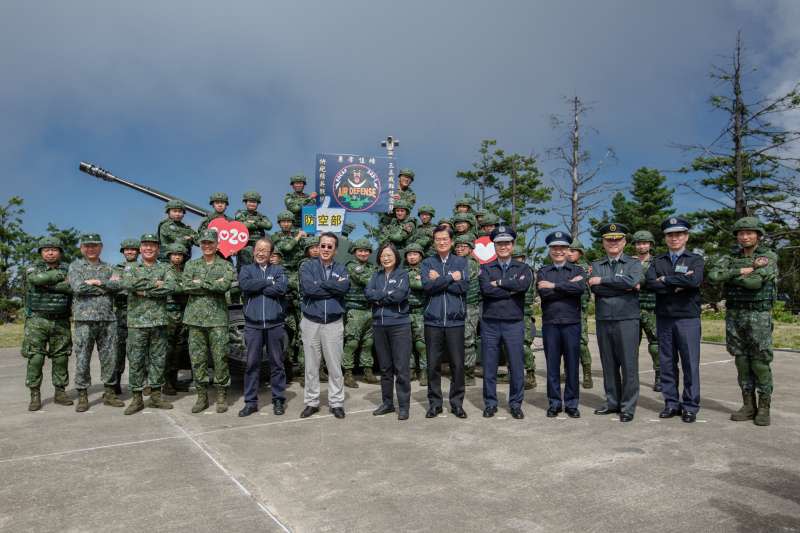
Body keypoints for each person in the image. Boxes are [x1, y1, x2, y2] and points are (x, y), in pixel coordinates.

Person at [708, 216, 778, 426]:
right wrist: (740, 271)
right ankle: (748, 405)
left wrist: (728, 277)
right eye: (741, 233)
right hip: (735, 314)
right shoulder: (731, 257)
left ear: (758, 235)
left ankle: (764, 407)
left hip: (758, 314)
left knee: (759, 361)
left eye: (749, 232)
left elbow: (755, 282)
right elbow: (712, 276)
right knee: (741, 360)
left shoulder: (768, 256)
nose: (745, 236)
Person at [645, 217, 704, 423]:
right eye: (670, 235)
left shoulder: (695, 259)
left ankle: (690, 406)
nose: (674, 238)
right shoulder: (658, 261)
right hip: (664, 318)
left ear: (686, 236)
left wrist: (667, 280)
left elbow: (695, 280)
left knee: (690, 364)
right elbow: (651, 284)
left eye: (678, 234)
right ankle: (671, 403)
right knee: (667, 362)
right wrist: (680, 283)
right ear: (665, 238)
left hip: (688, 318)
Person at [588, 223, 643, 423]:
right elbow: (596, 290)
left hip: (627, 319)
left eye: (617, 239)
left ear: (624, 242)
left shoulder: (633, 264)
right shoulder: (596, 265)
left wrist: (602, 281)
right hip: (604, 319)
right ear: (603, 243)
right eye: (609, 240)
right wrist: (622, 285)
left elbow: (633, 282)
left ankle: (628, 406)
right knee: (608, 364)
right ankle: (612, 402)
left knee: (629, 365)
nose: (613, 243)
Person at [478, 226, 533, 419]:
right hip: (490, 323)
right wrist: (510, 287)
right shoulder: (486, 268)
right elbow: (486, 290)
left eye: (506, 243)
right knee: (490, 366)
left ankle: (516, 403)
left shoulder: (523, 268)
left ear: (512, 245)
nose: (503, 246)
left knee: (516, 366)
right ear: (494, 246)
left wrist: (499, 283)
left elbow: (523, 285)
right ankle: (490, 403)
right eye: (499, 243)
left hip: (513, 323)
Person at [68, 233, 124, 412]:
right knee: (83, 357)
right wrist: (104, 287)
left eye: (94, 246)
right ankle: (83, 394)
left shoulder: (109, 267)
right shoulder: (75, 266)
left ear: (101, 247)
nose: (91, 249)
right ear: (82, 248)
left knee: (110, 358)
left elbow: (118, 285)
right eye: (87, 246)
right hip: (84, 319)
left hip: (107, 319)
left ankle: (109, 392)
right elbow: (78, 287)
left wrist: (97, 282)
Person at [121, 234, 176, 415]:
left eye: (153, 245)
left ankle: (155, 396)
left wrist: (143, 290)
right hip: (137, 322)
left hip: (159, 321)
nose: (149, 248)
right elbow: (128, 284)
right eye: (145, 245)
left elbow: (170, 287)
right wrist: (155, 285)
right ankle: (136, 398)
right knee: (136, 360)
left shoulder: (166, 267)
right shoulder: (131, 267)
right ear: (140, 249)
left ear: (158, 249)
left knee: (158, 360)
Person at [182, 229, 236, 414]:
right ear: (200, 245)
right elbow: (186, 286)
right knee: (197, 359)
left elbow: (224, 286)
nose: (207, 246)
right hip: (195, 319)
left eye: (210, 243)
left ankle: (221, 395)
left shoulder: (226, 265)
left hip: (218, 319)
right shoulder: (191, 265)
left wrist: (201, 282)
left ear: (217, 244)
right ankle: (202, 396)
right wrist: (212, 283)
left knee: (220, 358)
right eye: (203, 243)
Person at [298, 232, 350, 419]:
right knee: (311, 366)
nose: (326, 249)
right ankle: (312, 402)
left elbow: (344, 288)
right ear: (318, 247)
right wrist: (332, 286)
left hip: (333, 324)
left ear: (335, 250)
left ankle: (336, 402)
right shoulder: (307, 267)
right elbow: (308, 289)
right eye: (323, 245)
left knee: (335, 367)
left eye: (330, 246)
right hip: (311, 322)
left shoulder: (342, 269)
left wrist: (323, 285)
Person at [536, 231, 586, 418]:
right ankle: (555, 403)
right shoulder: (543, 271)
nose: (558, 251)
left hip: (572, 323)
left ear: (568, 250)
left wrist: (554, 286)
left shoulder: (578, 271)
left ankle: (572, 404)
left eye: (562, 248)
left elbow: (579, 289)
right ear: (550, 250)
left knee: (572, 365)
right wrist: (567, 286)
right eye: (555, 248)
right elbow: (544, 293)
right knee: (553, 366)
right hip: (551, 324)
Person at [421, 225, 469, 419]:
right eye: (438, 239)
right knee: (433, 364)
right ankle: (435, 403)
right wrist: (450, 278)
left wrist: (439, 279)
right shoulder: (427, 263)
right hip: (433, 321)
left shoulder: (461, 262)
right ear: (434, 242)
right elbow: (427, 287)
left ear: (451, 241)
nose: (441, 242)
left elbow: (463, 287)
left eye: (445, 239)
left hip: (455, 321)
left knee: (458, 364)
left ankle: (457, 403)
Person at [238, 238, 289, 417]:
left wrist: (259, 286)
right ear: (254, 252)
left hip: (275, 324)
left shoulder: (279, 270)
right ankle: (250, 402)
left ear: (270, 254)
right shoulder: (246, 270)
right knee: (252, 364)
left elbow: (282, 288)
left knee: (277, 363)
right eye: (258, 249)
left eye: (265, 250)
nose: (261, 253)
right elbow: (245, 285)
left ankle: (278, 400)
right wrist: (268, 283)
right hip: (253, 325)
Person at [22, 236, 73, 411]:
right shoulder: (32, 268)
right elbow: (36, 280)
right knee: (35, 358)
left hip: (61, 321)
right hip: (37, 320)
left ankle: (60, 392)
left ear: (60, 252)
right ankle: (35, 394)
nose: (50, 252)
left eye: (54, 249)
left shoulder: (70, 268)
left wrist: (47, 283)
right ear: (41, 252)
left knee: (61, 358)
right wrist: (59, 279)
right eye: (46, 250)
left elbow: (70, 288)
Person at [366, 243, 412, 420]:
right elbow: (368, 293)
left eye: (389, 255)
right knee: (385, 367)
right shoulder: (375, 276)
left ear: (396, 257)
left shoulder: (402, 274)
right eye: (383, 255)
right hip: (379, 325)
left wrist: (379, 297)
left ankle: (404, 406)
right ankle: (387, 403)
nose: (385, 258)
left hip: (399, 325)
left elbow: (399, 295)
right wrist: (384, 296)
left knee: (401, 368)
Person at [342, 239, 378, 388]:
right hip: (355, 309)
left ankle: (367, 371)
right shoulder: (351, 266)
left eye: (366, 251)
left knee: (368, 343)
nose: (363, 253)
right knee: (352, 342)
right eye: (360, 250)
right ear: (354, 252)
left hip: (369, 309)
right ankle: (348, 373)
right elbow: (366, 280)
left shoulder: (372, 267)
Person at [632, 230, 661, 391]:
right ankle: (631, 377)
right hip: (632, 309)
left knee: (656, 344)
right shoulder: (629, 262)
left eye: (644, 243)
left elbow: (657, 282)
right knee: (630, 345)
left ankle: (659, 376)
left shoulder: (657, 262)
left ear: (650, 245)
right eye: (638, 243)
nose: (641, 246)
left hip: (652, 308)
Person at [111, 238, 139, 396]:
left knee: (139, 350)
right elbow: (115, 287)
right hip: (121, 313)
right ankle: (116, 382)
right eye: (127, 249)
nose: (130, 252)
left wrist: (127, 286)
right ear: (123, 252)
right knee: (118, 350)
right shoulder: (117, 268)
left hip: (140, 312)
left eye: (133, 249)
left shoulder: (143, 267)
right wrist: (133, 287)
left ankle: (142, 382)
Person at [566, 240, 593, 389]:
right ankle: (568, 372)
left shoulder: (584, 268)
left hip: (578, 310)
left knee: (582, 343)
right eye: (568, 250)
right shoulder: (561, 266)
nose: (569, 253)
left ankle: (587, 373)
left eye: (573, 251)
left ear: (580, 253)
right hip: (564, 310)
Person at [164, 243, 190, 395]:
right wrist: (184, 286)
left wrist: (181, 286)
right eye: (174, 254)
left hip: (183, 312)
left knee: (179, 349)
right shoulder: (165, 270)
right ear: (169, 256)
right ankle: (166, 382)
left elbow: (185, 287)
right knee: (168, 349)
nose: (177, 256)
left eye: (180, 254)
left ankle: (174, 380)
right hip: (169, 313)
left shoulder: (186, 270)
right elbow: (171, 288)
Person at [454, 235, 481, 385]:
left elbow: (461, 279)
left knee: (467, 339)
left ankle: (468, 374)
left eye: (463, 246)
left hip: (468, 306)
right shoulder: (458, 262)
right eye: (457, 246)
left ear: (470, 249)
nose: (459, 249)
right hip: (457, 305)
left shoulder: (470, 263)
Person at [512, 245, 538, 390]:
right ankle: (515, 373)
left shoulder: (527, 272)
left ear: (523, 258)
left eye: (518, 257)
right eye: (514, 258)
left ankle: (530, 374)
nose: (516, 260)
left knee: (524, 344)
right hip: (510, 312)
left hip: (523, 313)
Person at [403, 243, 428, 385]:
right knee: (407, 343)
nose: (412, 257)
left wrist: (413, 282)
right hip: (405, 311)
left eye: (415, 254)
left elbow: (426, 285)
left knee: (421, 344)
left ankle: (424, 371)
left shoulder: (426, 270)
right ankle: (411, 369)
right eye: (409, 254)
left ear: (420, 256)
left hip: (420, 311)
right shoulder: (402, 272)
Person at [234, 191, 273, 267]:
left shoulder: (261, 216)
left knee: (259, 267)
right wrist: (259, 224)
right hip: (244, 245)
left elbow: (269, 226)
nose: (252, 204)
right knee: (243, 268)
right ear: (245, 203)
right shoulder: (240, 214)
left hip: (258, 246)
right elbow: (241, 225)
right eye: (250, 202)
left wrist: (254, 222)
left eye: (254, 202)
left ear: (257, 204)